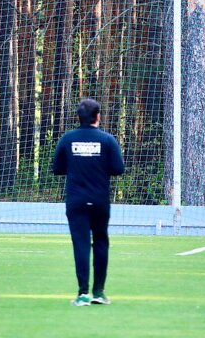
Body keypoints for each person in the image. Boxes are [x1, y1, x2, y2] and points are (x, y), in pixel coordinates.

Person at [51, 97, 125, 306]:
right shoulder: (107, 140)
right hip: (100, 201)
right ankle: (99, 292)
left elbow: (57, 169)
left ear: (79, 117)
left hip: (76, 201)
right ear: (97, 116)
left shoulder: (68, 139)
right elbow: (118, 169)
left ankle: (83, 293)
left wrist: (77, 164)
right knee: (101, 241)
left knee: (81, 243)